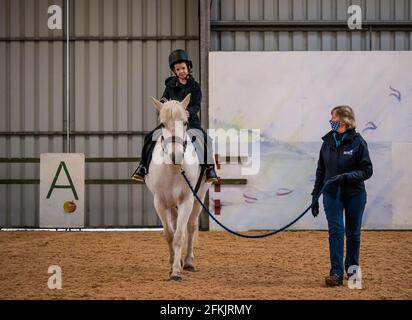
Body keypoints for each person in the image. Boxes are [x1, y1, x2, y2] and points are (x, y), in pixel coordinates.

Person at [132, 49, 219, 182]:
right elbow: (164, 98)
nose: (181, 71)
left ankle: (209, 168)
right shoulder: (170, 85)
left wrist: (189, 112)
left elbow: (196, 104)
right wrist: (162, 103)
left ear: (188, 67)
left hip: (189, 122)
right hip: (171, 123)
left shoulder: (195, 86)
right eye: (178, 70)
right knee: (149, 137)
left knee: (206, 140)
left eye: (183, 68)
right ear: (174, 71)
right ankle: (142, 166)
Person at [311, 106, 373, 287]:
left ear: (344, 121)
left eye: (334, 117)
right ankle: (336, 273)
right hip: (331, 195)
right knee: (336, 232)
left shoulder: (358, 143)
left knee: (353, 234)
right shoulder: (327, 143)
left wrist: (347, 177)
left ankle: (352, 272)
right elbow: (320, 171)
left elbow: (367, 170)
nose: (331, 120)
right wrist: (315, 196)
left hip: (354, 194)